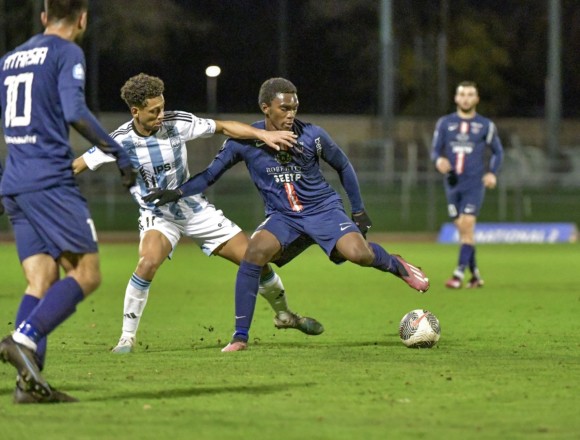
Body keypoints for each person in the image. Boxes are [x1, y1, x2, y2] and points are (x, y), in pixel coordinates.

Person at [144, 77, 430, 352]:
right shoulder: (244, 142)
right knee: (254, 252)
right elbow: (210, 175)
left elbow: (343, 166)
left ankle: (396, 264)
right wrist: (178, 192)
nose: (291, 114)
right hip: (284, 217)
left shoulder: (313, 135)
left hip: (323, 210)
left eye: (294, 107)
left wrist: (358, 210)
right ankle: (240, 337)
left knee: (359, 255)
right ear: (265, 108)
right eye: (284, 108)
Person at [72, 73, 324, 354]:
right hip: (158, 215)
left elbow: (224, 127)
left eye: (162, 107)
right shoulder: (119, 141)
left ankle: (284, 315)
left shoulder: (176, 123)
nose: (161, 115)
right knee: (147, 263)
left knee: (254, 259)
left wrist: (263, 134)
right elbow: (78, 165)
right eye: (154, 111)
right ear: (136, 111)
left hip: (194, 208)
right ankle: (126, 339)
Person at [0, 0, 136, 404]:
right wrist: (117, 150)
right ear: (82, 19)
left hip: (15, 181)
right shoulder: (66, 51)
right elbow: (74, 110)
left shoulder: (9, 59)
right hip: (49, 180)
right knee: (87, 273)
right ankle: (22, 340)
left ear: (44, 17)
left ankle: (29, 386)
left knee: (41, 280)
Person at [431, 81, 504, 289]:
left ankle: (458, 274)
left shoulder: (485, 125)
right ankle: (475, 275)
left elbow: (498, 152)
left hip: (474, 182)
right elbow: (435, 150)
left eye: (470, 94)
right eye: (462, 94)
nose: (465, 98)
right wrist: (439, 161)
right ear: (456, 98)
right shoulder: (445, 123)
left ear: (476, 99)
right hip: (452, 183)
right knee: (463, 231)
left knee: (468, 225)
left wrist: (491, 173)